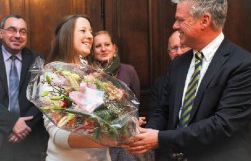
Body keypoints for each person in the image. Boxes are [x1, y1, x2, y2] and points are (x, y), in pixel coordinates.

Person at [123, 0, 251, 161]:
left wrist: (160, 139)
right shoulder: (179, 63)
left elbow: (222, 125)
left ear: (204, 21)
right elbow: (163, 109)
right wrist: (144, 135)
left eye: (180, 20)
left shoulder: (245, 66)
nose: (175, 26)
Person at [44, 14, 111, 161]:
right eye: (83, 30)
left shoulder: (94, 73)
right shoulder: (52, 75)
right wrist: (108, 139)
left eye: (90, 31)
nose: (89, 36)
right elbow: (57, 133)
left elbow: (105, 115)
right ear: (67, 35)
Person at [0, 14, 48, 161]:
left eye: (23, 31)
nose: (17, 35)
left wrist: (24, 125)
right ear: (1, 33)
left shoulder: (38, 60)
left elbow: (43, 96)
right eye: (12, 30)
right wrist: (12, 122)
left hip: (28, 138)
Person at [91, 30, 141, 161]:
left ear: (114, 47)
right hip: (99, 139)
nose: (103, 49)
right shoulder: (89, 74)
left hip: (125, 138)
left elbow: (135, 103)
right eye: (98, 46)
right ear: (93, 51)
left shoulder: (129, 70)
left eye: (107, 44)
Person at [150, 31, 190, 118]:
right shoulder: (159, 84)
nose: (179, 52)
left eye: (183, 46)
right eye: (174, 48)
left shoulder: (201, 76)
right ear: (169, 52)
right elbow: (156, 116)